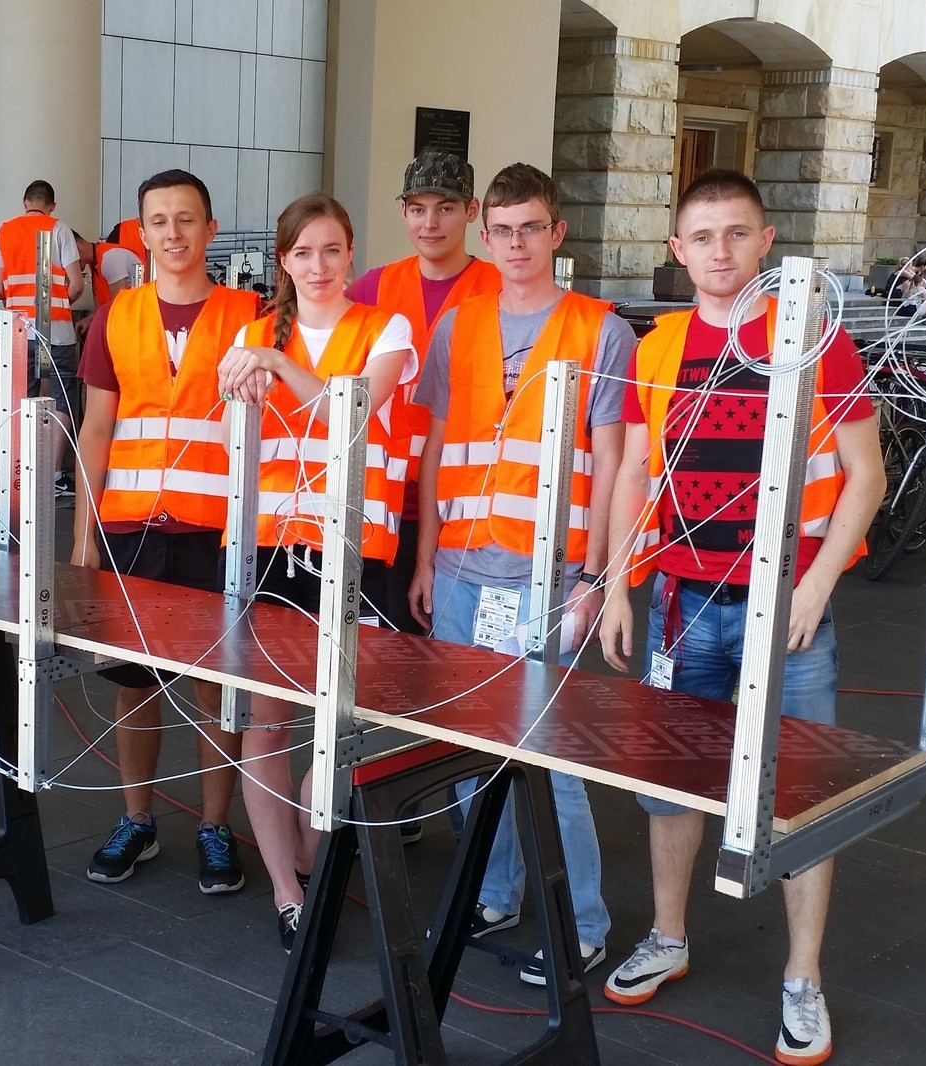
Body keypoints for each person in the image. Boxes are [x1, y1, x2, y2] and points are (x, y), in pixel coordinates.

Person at [598, 169, 884, 1066]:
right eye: (702, 236)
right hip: (682, 607)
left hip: (786, 613)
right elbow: (636, 472)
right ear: (677, 252)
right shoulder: (657, 349)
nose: (719, 251)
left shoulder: (815, 339)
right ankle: (669, 936)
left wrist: (817, 585)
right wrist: (617, 586)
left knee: (800, 794)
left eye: (736, 233)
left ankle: (803, 978)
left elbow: (866, 475)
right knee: (671, 784)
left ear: (766, 242)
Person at [411, 162, 631, 983]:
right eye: (501, 230)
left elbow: (614, 466)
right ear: (486, 233)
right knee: (469, 746)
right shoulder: (458, 325)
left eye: (529, 228)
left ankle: (582, 924)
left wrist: (596, 577)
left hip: (550, 575)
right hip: (462, 571)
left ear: (555, 232)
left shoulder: (600, 330)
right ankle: (494, 890)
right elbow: (437, 448)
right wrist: (427, 555)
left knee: (548, 757)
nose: (514, 244)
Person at [216, 193, 416, 951]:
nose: (319, 265)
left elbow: (351, 416)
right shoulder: (252, 335)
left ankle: (312, 851)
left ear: (351, 254)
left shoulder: (384, 329)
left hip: (354, 552)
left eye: (332, 250)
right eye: (303, 253)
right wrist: (247, 380)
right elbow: (235, 436)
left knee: (342, 723)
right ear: (284, 262)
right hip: (272, 548)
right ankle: (286, 890)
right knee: (266, 721)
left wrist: (277, 364)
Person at [71, 169, 261, 894]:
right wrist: (83, 537)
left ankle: (214, 826)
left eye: (186, 219)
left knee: (219, 687)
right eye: (159, 220)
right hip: (130, 528)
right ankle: (138, 820)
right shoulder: (115, 317)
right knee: (134, 684)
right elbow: (96, 429)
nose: (173, 233)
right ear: (141, 233)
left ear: (210, 230)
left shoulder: (250, 316)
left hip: (218, 532)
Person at [347, 149, 500, 635]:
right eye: (418, 209)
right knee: (378, 654)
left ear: (471, 211)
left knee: (449, 657)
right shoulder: (374, 287)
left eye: (445, 208)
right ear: (403, 212)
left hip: (463, 507)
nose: (430, 223)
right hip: (383, 502)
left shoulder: (499, 288)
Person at [0, 180, 85, 497]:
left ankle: (22, 469)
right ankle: (54, 474)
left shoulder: (4, 231)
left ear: (25, 201)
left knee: (22, 399)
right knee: (63, 398)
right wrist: (62, 302)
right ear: (52, 206)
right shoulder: (59, 229)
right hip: (57, 329)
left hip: (19, 331)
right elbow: (76, 284)